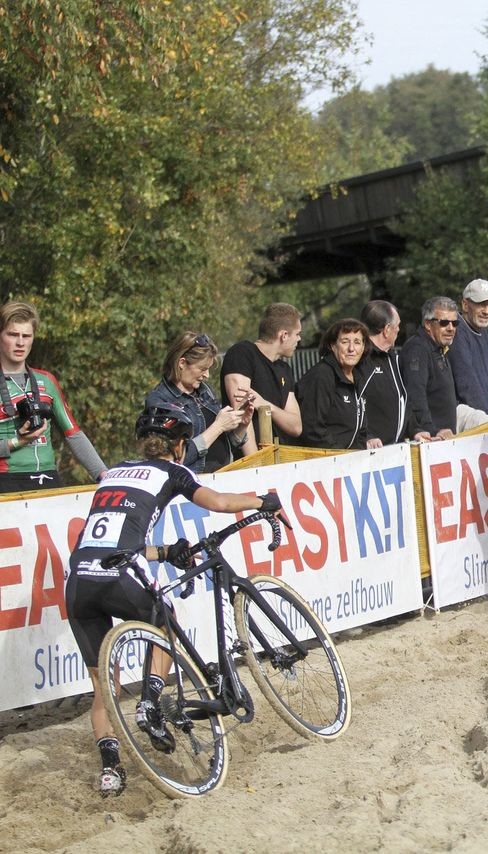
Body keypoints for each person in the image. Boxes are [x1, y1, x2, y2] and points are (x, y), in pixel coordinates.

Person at [64, 403, 280, 795]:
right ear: (179, 446)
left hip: (79, 579)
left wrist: (164, 553)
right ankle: (149, 701)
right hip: (117, 574)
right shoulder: (172, 470)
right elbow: (216, 502)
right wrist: (261, 501)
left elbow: (113, 539)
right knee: (165, 618)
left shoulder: (112, 474)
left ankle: (111, 769)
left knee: (103, 689)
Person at [0, 301, 107, 492]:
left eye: (26, 336)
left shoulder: (47, 380)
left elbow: (73, 435)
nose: (20, 343)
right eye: (13, 334)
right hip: (6, 480)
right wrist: (17, 441)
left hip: (47, 477)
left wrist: (104, 475)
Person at [144, 332, 252, 473]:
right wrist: (218, 426)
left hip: (224, 476)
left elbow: (226, 443)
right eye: (202, 369)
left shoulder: (204, 391)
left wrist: (241, 425)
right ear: (182, 363)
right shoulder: (159, 401)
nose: (207, 375)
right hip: (193, 485)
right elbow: (170, 460)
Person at [220, 303, 304, 445]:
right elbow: (242, 418)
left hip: (280, 459)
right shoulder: (242, 354)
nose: (299, 339)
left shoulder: (284, 369)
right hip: (252, 463)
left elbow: (296, 427)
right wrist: (257, 464)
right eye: (297, 334)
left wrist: (265, 405)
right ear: (284, 335)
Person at [357, 300, 432, 445]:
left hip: (395, 452)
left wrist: (415, 430)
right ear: (387, 329)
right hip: (371, 454)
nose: (399, 330)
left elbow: (402, 400)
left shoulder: (393, 358)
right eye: (397, 326)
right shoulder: (361, 360)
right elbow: (353, 406)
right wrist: (366, 436)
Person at [296, 318, 376, 450]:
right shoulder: (322, 375)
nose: (351, 348)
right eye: (345, 342)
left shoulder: (358, 377)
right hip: (324, 461)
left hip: (349, 463)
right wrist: (340, 456)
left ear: (363, 347)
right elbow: (313, 428)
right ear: (333, 346)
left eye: (357, 342)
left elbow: (360, 429)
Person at [402, 296, 462, 440]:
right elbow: (415, 395)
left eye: (455, 323)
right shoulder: (417, 349)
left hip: (445, 438)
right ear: (428, 324)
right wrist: (432, 431)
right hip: (430, 441)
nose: (451, 328)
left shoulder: (439, 347)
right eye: (444, 323)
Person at [451, 278, 488, 424]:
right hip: (464, 416)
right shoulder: (456, 330)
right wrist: (486, 420)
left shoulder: (483, 331)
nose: (487, 311)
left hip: (480, 416)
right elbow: (466, 382)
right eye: (481, 305)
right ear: (465, 305)